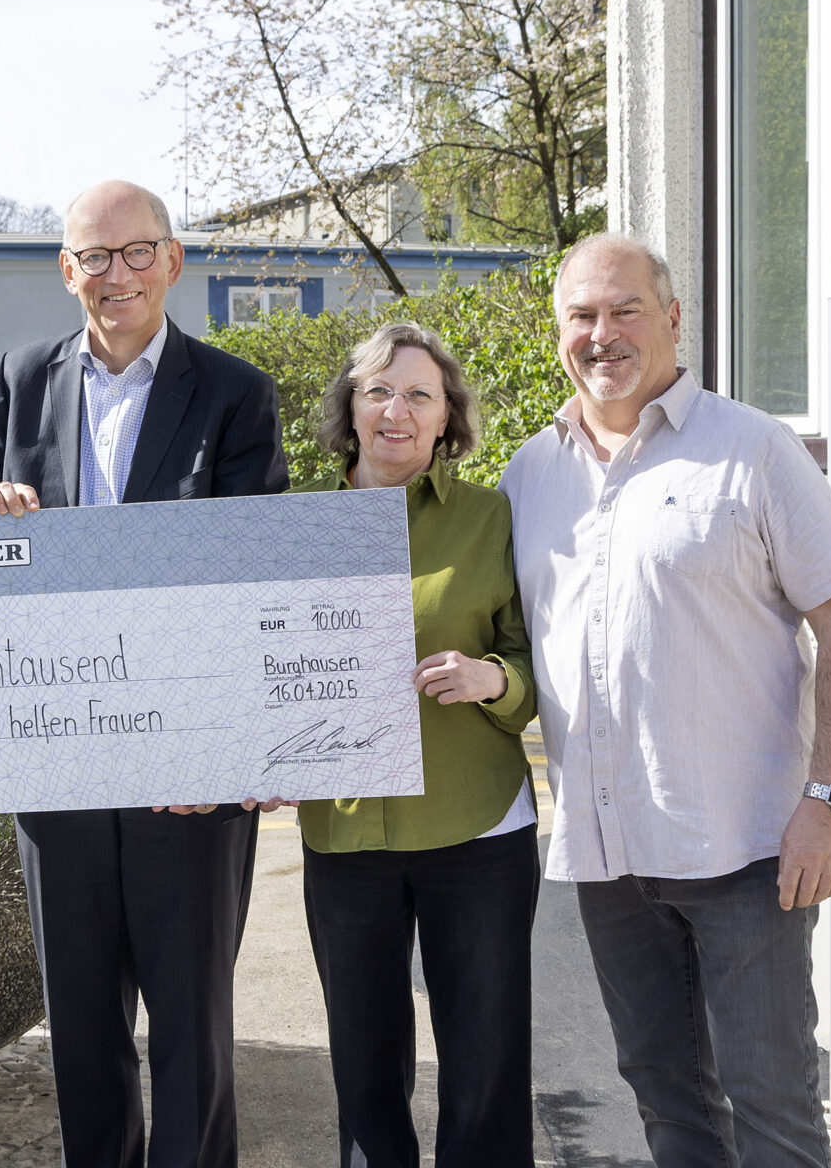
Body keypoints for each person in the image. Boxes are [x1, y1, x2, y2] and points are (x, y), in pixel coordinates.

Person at [498, 232, 831, 1168]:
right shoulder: (530, 473)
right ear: (558, 332)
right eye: (581, 316)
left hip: (748, 849)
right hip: (608, 852)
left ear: (673, 319)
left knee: (773, 1106)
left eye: (625, 310)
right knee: (667, 1102)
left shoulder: (753, 449)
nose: (602, 334)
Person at [0, 178, 288, 1168]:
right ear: (67, 271)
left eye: (138, 252)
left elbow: (258, 575)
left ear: (173, 260)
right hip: (59, 763)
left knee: (190, 1027)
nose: (118, 274)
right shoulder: (20, 379)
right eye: (95, 256)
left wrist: (234, 751)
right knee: (82, 1028)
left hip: (188, 772)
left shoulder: (234, 393)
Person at [290, 323, 539, 1167]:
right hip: (344, 827)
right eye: (379, 391)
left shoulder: (489, 518)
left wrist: (492, 679)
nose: (396, 410)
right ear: (351, 408)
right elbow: (259, 665)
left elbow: (531, 660)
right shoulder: (292, 524)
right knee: (363, 1062)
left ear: (446, 419)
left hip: (476, 826)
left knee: (484, 1060)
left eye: (419, 395)